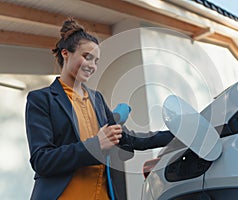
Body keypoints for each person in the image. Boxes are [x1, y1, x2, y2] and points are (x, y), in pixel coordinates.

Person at [25, 18, 174, 200]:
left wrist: (178, 133)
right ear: (65, 53)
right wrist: (96, 145)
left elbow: (129, 138)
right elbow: (42, 161)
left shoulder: (97, 100)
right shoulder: (41, 99)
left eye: (96, 61)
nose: (92, 66)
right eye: (87, 57)